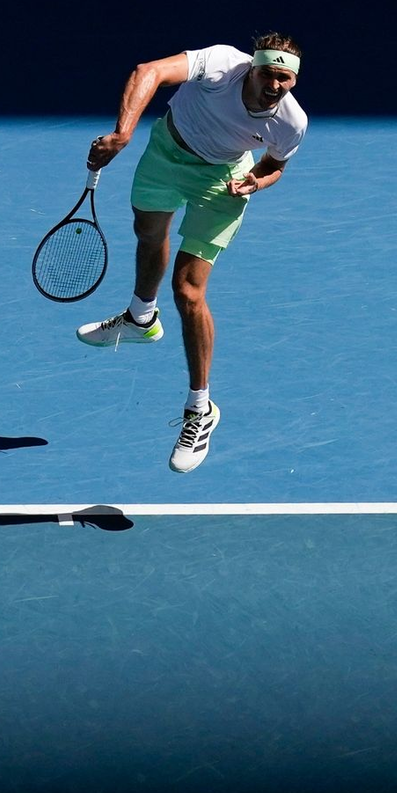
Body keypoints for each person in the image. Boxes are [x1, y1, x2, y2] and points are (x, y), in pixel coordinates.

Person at [76, 33, 307, 472]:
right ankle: (141, 318)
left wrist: (255, 181)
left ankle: (200, 409)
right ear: (252, 68)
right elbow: (150, 71)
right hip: (166, 154)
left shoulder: (292, 122)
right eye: (268, 74)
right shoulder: (221, 63)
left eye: (285, 78)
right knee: (148, 233)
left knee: (188, 291)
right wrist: (123, 134)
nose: (275, 85)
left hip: (220, 182)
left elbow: (275, 164)